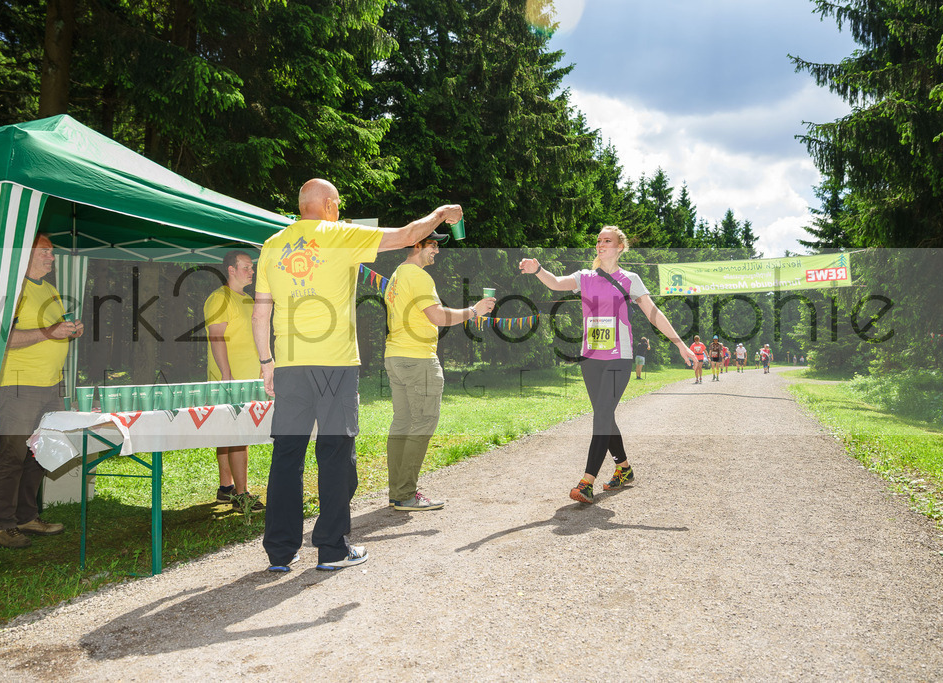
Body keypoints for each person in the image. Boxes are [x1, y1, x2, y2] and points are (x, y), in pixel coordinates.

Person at [252, 177, 463, 572]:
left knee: (286, 455)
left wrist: (267, 363)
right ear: (330, 205)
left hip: (291, 365)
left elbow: (261, 312)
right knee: (335, 454)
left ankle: (281, 553)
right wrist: (440, 214)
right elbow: (406, 236)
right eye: (339, 201)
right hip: (335, 363)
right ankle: (331, 549)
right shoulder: (339, 234)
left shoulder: (271, 246)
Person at [519, 225, 695, 504]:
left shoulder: (630, 279)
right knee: (605, 416)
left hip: (619, 357)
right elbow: (555, 282)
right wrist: (538, 269)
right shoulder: (585, 276)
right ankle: (624, 469)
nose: (601, 244)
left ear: (620, 247)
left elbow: (653, 313)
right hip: (590, 358)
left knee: (601, 416)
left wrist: (680, 344)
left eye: (607, 240)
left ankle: (586, 482)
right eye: (599, 240)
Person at [384, 232, 495, 511]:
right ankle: (406, 493)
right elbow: (436, 316)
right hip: (418, 359)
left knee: (402, 424)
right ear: (417, 244)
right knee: (423, 423)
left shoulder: (397, 274)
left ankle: (398, 491)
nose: (437, 250)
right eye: (433, 245)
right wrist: (474, 310)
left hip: (395, 356)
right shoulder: (419, 276)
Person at [0, 233, 83, 548]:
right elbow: (4, 339)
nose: (51, 257)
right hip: (18, 383)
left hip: (50, 384)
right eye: (45, 251)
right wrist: (49, 332)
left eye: (52, 252)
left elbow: (53, 331)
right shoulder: (14, 289)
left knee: (39, 452)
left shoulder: (52, 290)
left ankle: (27, 517)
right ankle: (1, 525)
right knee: (13, 453)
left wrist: (69, 330)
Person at [205, 250, 263, 512]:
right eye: (246, 267)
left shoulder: (248, 299)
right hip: (230, 379)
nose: (251, 271)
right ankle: (241, 495)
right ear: (231, 269)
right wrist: (226, 374)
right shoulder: (219, 298)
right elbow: (217, 337)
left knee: (229, 433)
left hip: (249, 378)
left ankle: (225, 488)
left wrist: (264, 365)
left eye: (251, 268)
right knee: (239, 435)